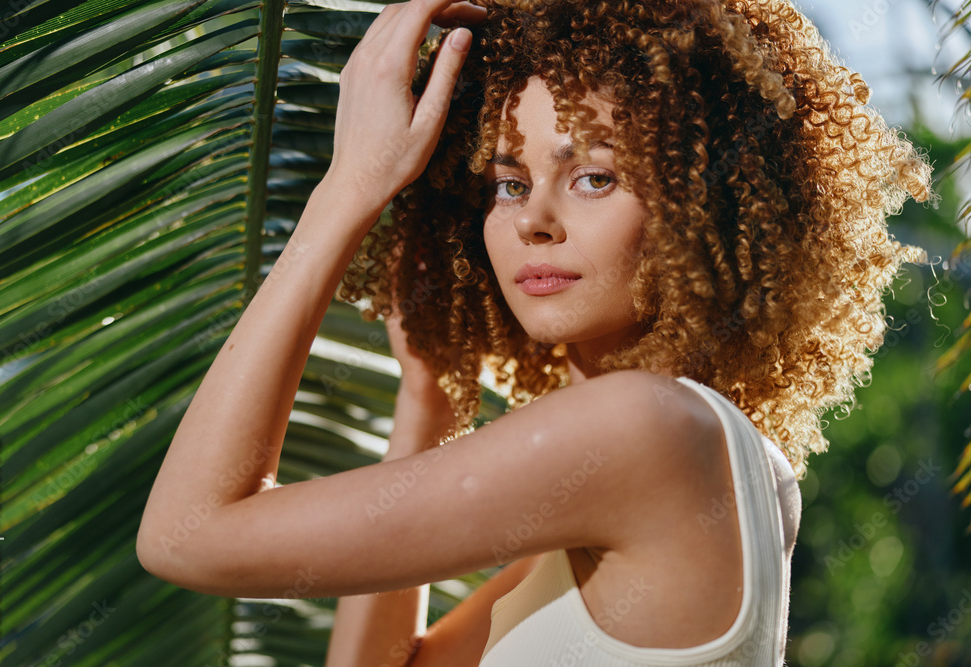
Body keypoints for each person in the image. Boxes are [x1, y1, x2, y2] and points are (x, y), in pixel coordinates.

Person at [135, 0, 934, 664]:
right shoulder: (713, 462)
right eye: (509, 181)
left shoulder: (642, 430)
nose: (534, 221)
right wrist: (428, 392)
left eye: (594, 177)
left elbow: (184, 536)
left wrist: (349, 186)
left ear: (703, 206)